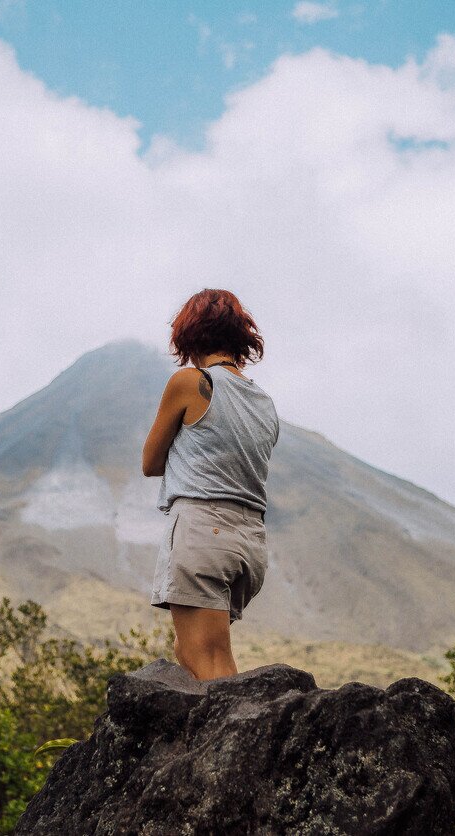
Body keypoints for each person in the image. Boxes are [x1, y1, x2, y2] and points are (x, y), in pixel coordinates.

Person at [142, 288, 280, 681]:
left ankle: (242, 741)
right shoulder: (264, 403)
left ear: (189, 335)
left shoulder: (190, 382)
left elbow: (150, 462)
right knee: (199, 653)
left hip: (203, 530)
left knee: (208, 662)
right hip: (249, 542)